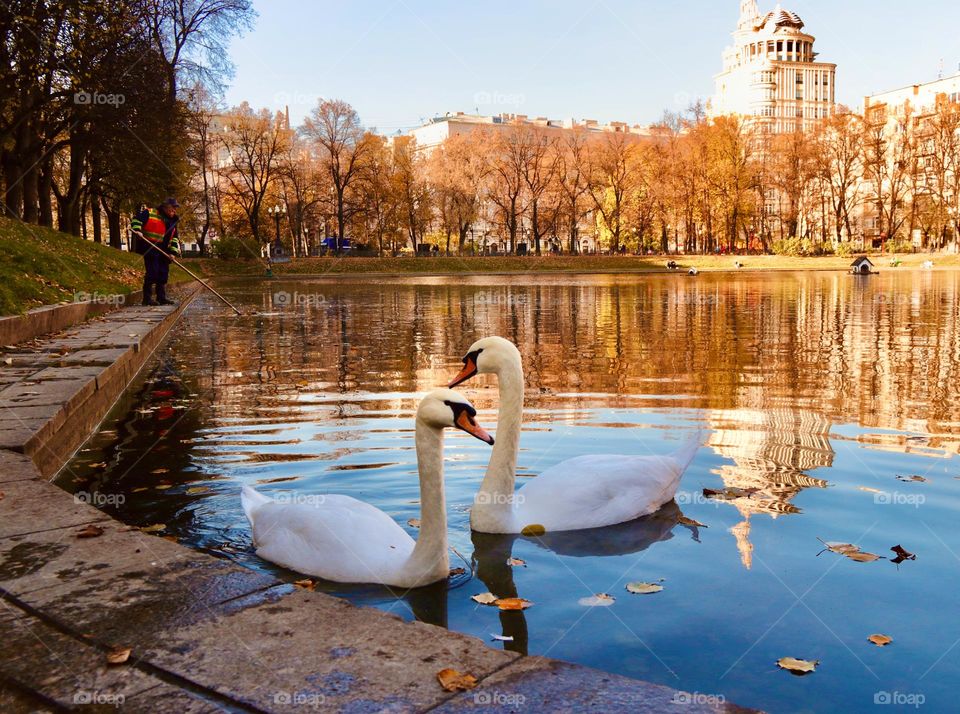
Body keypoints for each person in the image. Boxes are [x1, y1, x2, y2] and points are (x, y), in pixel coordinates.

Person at [132, 197, 181, 306]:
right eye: (172, 208)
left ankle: (161, 297)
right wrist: (138, 231)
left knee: (163, 273)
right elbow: (136, 220)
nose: (174, 210)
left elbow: (175, 238)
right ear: (165, 207)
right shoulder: (150, 213)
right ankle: (147, 298)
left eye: (175, 209)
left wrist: (173, 253)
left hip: (164, 250)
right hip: (150, 246)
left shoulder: (173, 222)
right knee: (152, 272)